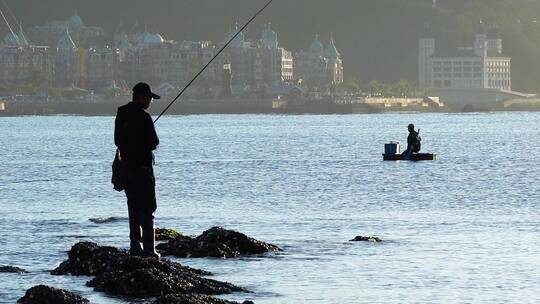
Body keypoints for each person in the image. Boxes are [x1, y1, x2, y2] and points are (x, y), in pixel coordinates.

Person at [114, 82, 161, 258]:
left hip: (126, 169)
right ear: (140, 97)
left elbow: (117, 141)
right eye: (149, 98)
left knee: (133, 208)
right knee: (148, 208)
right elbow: (153, 143)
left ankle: (135, 246)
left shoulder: (121, 113)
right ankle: (150, 250)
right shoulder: (144, 117)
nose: (150, 101)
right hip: (142, 169)